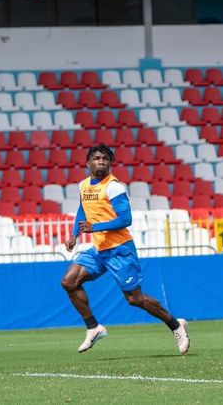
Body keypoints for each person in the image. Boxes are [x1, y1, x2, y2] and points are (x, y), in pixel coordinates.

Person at [60, 144, 190, 354]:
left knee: (134, 299)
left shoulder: (114, 187)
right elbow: (83, 209)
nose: (101, 162)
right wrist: (74, 234)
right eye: (97, 158)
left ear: (110, 163)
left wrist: (96, 227)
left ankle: (176, 325)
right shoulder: (84, 185)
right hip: (99, 249)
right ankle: (93, 327)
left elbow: (125, 219)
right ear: (88, 163)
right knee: (69, 282)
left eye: (105, 159)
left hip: (120, 250)